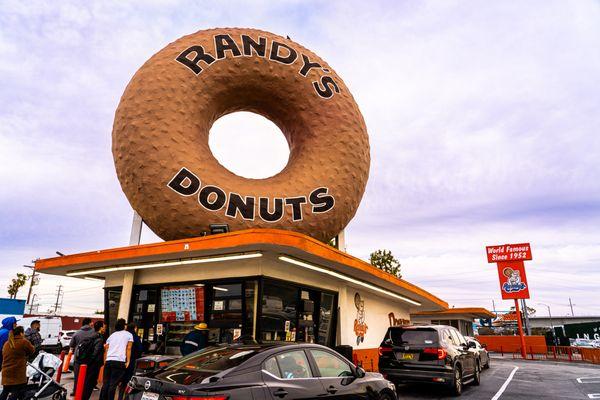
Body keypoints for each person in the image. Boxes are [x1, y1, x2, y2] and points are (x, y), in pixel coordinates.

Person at [99, 318, 133, 400]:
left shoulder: (112, 335)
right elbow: (128, 348)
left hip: (109, 360)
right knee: (113, 385)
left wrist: (105, 361)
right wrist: (128, 361)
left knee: (106, 383)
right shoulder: (129, 335)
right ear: (124, 326)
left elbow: (106, 349)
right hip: (119, 361)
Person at [0, 326, 34, 400]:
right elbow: (32, 350)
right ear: (21, 333)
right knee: (16, 392)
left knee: (5, 391)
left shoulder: (7, 343)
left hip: (6, 372)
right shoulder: (23, 342)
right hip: (17, 373)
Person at [69, 318, 96, 396]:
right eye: (91, 322)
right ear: (89, 323)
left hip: (78, 358)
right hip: (90, 358)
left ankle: (75, 391)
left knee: (77, 376)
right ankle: (85, 392)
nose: (92, 324)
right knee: (89, 377)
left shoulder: (77, 333)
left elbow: (71, 345)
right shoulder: (94, 333)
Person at [117, 322, 143, 400]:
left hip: (121, 360)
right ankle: (127, 398)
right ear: (135, 328)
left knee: (122, 382)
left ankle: (120, 397)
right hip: (131, 361)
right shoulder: (134, 336)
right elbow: (139, 349)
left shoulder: (123, 335)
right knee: (129, 382)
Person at [81, 321, 106, 400]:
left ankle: (83, 397)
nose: (105, 329)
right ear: (101, 328)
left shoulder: (91, 335)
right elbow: (95, 352)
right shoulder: (99, 338)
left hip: (87, 362)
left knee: (86, 382)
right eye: (104, 327)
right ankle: (85, 398)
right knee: (90, 383)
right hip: (94, 365)